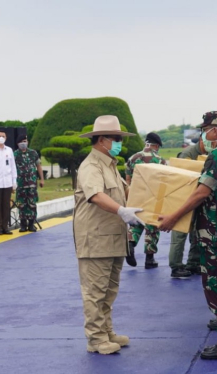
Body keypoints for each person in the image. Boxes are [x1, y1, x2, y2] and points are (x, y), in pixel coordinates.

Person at [158, 111, 217, 360]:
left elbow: (201, 192)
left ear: (215, 130)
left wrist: (173, 216)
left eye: (205, 129)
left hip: (216, 229)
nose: (203, 134)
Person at [73, 115, 143, 355]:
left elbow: (126, 193)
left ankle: (106, 331)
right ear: (101, 139)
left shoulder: (110, 165)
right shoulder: (91, 166)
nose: (119, 143)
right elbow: (96, 196)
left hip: (114, 237)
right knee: (95, 291)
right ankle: (95, 339)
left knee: (109, 290)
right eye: (115, 139)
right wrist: (121, 210)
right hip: (95, 238)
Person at [124, 132, 167, 269]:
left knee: (136, 222)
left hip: (136, 196)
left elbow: (128, 181)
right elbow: (165, 182)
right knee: (152, 226)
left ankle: (130, 244)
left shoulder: (133, 158)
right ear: (156, 145)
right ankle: (150, 259)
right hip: (154, 197)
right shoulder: (161, 160)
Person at [167, 136, 205, 278]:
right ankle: (175, 266)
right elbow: (177, 179)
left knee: (197, 232)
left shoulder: (208, 155)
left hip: (196, 198)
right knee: (179, 233)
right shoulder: (187, 154)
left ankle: (193, 263)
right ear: (202, 141)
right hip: (181, 199)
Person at [13, 134, 43, 232]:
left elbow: (38, 166)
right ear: (17, 144)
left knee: (32, 204)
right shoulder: (14, 154)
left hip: (32, 183)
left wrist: (42, 179)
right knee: (21, 204)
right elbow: (11, 169)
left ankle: (31, 224)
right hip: (20, 184)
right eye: (21, 142)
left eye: (25, 141)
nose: (23, 143)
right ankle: (22, 225)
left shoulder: (33, 153)